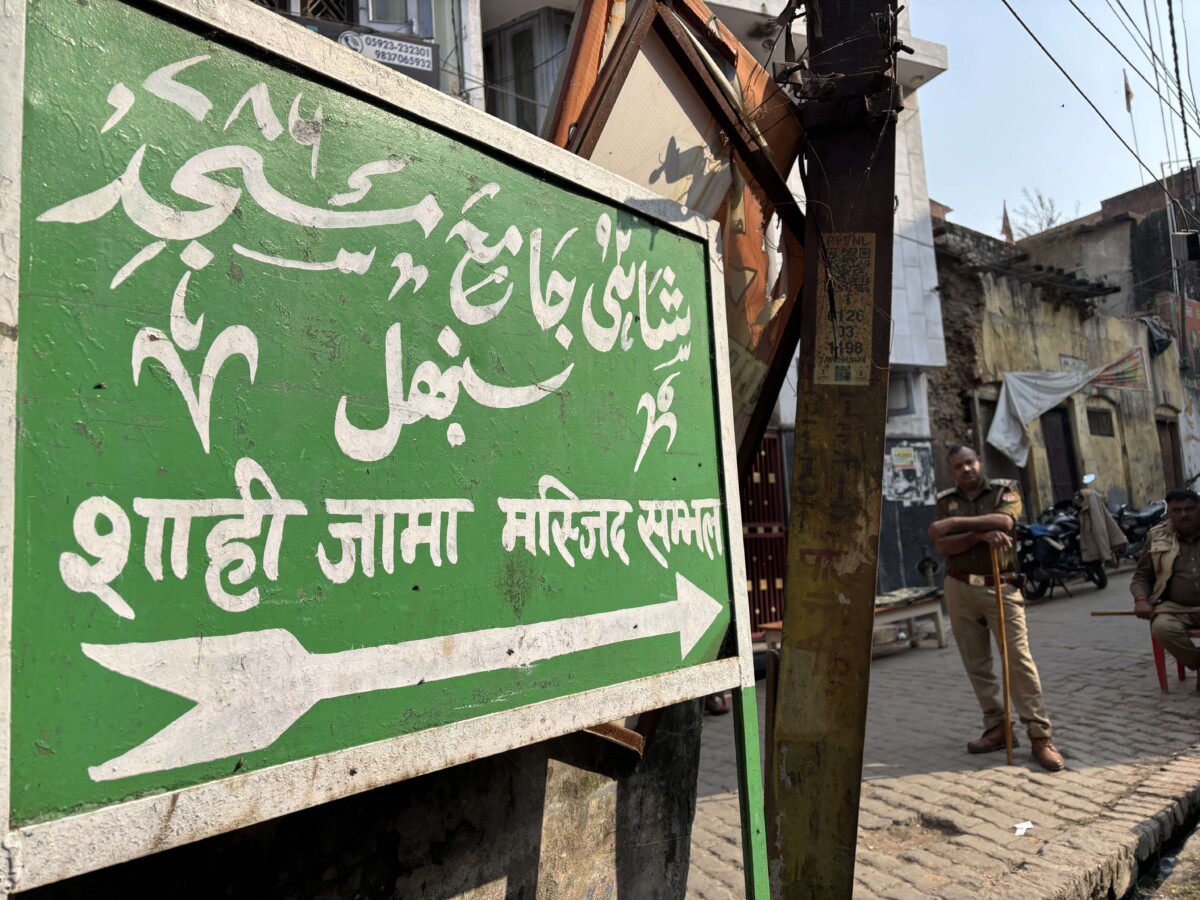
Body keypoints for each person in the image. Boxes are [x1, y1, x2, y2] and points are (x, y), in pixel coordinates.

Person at [927, 444, 1065, 772]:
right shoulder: (945, 500)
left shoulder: (1005, 490)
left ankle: (1039, 735)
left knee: (1017, 660)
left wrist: (958, 524)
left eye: (970, 463)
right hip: (959, 586)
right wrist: (979, 535)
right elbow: (942, 544)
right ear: (951, 471)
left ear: (980, 462)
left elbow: (1005, 521)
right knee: (976, 663)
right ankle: (997, 729)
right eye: (958, 466)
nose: (966, 470)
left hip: (1000, 586)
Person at [1132, 488, 1200, 689]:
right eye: (1177, 510)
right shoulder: (1157, 536)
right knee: (1161, 628)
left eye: (1190, 509)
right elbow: (1142, 577)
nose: (1184, 515)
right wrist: (1141, 600)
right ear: (1169, 513)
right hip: (1176, 609)